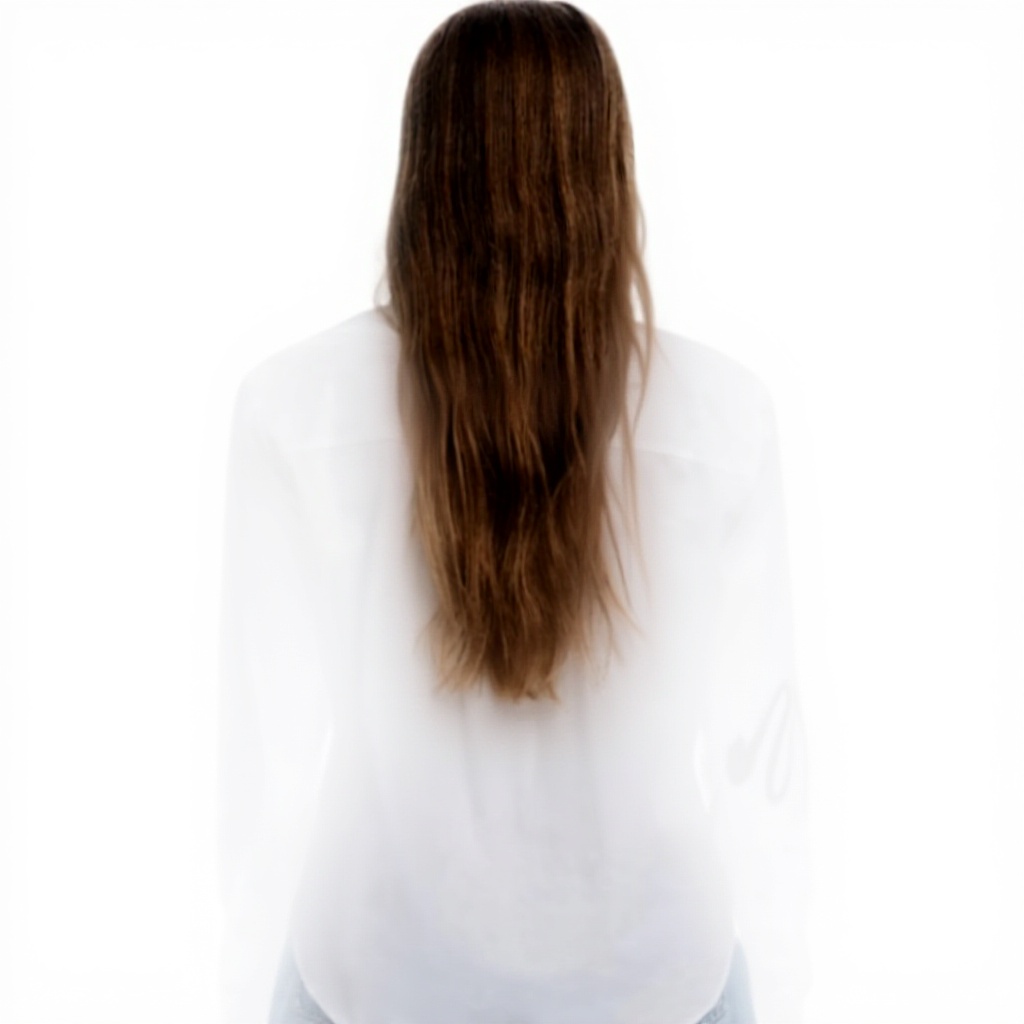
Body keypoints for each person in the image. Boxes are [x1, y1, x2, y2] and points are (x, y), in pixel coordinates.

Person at [215, 2, 812, 1022]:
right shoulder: (721, 416)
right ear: (605, 167)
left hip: (369, 973)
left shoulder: (293, 405)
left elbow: (263, 765)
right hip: (661, 977)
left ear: (425, 170)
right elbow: (760, 766)